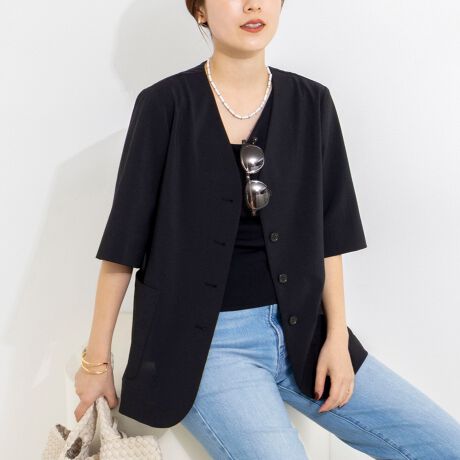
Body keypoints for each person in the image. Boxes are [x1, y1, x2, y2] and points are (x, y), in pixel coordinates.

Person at [74, 0, 460, 458]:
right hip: (208, 350)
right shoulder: (164, 105)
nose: (252, 4)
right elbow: (123, 246)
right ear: (200, 11)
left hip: (306, 334)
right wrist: (96, 363)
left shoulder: (312, 102)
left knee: (445, 444)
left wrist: (337, 338)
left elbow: (329, 238)